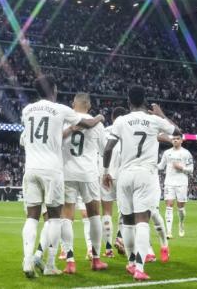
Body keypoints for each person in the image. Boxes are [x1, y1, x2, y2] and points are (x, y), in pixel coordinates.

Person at [20, 75, 104, 278]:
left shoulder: (27, 110)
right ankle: (49, 265)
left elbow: (26, 139)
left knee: (32, 217)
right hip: (53, 171)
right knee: (56, 218)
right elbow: (89, 122)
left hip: (30, 169)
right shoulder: (61, 109)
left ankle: (27, 260)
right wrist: (100, 117)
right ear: (54, 90)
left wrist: (66, 131)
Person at [102, 85, 179, 281]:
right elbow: (177, 131)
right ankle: (139, 267)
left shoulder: (121, 121)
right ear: (144, 100)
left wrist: (105, 172)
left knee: (127, 221)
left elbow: (108, 148)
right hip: (145, 174)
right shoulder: (153, 120)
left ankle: (130, 262)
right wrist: (161, 114)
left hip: (124, 175)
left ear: (128, 101)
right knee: (143, 220)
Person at [59, 93, 108, 273]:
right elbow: (104, 150)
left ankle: (70, 262)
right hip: (88, 174)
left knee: (67, 216)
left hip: (67, 173)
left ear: (73, 104)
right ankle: (95, 259)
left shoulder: (65, 120)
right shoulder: (98, 124)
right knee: (94, 215)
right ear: (89, 106)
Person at [100, 107, 128, 258]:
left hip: (106, 174)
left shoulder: (104, 131)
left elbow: (102, 151)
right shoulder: (128, 130)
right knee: (125, 210)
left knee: (107, 213)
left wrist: (104, 172)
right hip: (123, 174)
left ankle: (108, 249)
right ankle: (120, 236)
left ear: (112, 117)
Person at [157, 134, 193, 238]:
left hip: (182, 182)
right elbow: (161, 166)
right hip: (169, 182)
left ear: (181, 140)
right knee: (169, 206)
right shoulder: (167, 153)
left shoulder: (186, 153)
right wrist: (151, 165)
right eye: (174, 139)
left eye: (178, 139)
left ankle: (181, 224)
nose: (175, 140)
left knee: (181, 208)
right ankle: (168, 232)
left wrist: (181, 168)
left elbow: (191, 170)